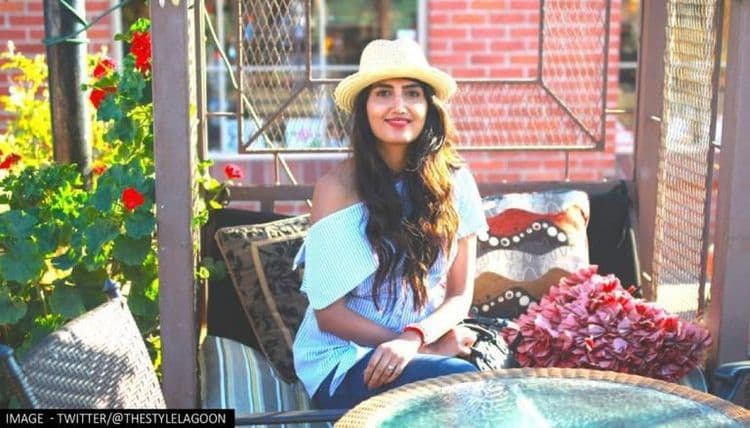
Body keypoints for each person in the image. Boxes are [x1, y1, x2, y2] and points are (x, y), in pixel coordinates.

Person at [292, 38, 488, 409]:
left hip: (418, 346)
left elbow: (459, 295)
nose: (399, 106)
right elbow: (329, 315)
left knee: (481, 388)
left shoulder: (456, 182)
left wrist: (415, 339)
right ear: (365, 107)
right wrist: (421, 348)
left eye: (412, 93)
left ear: (428, 106)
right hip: (344, 358)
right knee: (457, 385)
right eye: (383, 93)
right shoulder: (336, 188)